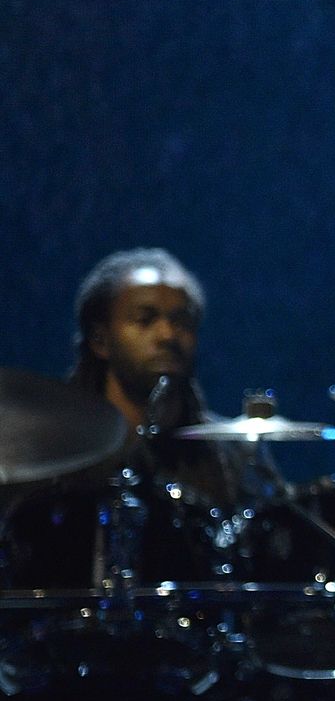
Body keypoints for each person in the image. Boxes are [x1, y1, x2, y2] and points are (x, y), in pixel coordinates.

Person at [2, 248, 274, 588]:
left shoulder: (231, 454)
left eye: (181, 321)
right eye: (145, 320)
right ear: (100, 339)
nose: (167, 335)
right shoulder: (43, 446)